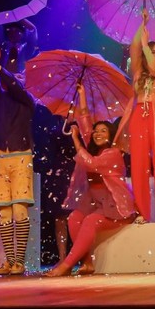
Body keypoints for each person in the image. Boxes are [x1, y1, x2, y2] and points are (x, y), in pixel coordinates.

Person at [45, 82, 136, 277]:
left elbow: (91, 164)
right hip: (98, 206)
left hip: (117, 209)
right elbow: (85, 123)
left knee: (91, 221)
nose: (97, 133)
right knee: (74, 218)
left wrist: (76, 141)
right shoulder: (95, 149)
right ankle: (87, 263)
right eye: (97, 131)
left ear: (111, 136)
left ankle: (66, 265)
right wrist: (82, 95)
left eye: (103, 131)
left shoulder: (113, 154)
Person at [0, 25, 38, 275]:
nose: (17, 77)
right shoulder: (0, 97)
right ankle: (10, 261)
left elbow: (14, 85)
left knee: (19, 209)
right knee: (4, 212)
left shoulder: (28, 99)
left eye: (21, 75)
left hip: (21, 156)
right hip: (0, 157)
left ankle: (19, 261)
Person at [120, 8, 155, 223]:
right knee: (139, 164)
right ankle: (141, 212)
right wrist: (142, 24)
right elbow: (134, 48)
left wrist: (146, 46)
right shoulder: (137, 71)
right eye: (154, 51)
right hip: (139, 116)